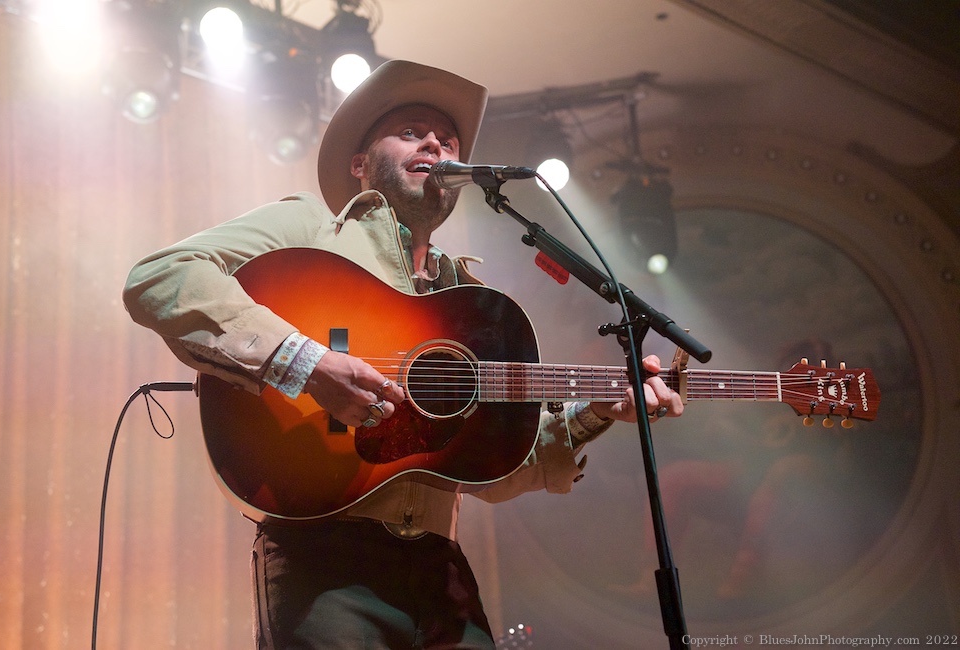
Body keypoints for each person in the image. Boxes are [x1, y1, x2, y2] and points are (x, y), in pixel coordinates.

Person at [123, 60, 683, 650]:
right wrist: (306, 362)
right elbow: (161, 275)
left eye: (449, 141)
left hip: (440, 571)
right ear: (360, 163)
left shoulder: (464, 303)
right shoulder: (310, 227)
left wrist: (596, 413)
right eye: (413, 131)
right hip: (323, 559)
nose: (436, 144)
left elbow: (488, 472)